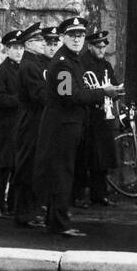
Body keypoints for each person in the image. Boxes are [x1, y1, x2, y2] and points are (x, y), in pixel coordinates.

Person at [34, 16, 124, 236]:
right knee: (62, 174)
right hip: (62, 126)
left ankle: (54, 219)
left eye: (81, 35)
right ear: (63, 37)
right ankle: (59, 224)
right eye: (72, 36)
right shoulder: (64, 62)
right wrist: (103, 92)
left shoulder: (73, 59)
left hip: (69, 125)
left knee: (62, 173)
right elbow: (69, 96)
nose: (77, 40)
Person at [10, 24, 58, 227]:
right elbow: (38, 94)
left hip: (36, 120)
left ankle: (30, 211)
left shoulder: (35, 62)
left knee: (34, 167)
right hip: (31, 121)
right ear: (29, 44)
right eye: (39, 40)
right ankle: (23, 214)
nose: (43, 43)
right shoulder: (30, 65)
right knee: (27, 167)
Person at [81, 29, 121, 206]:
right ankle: (79, 195)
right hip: (88, 117)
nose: (101, 51)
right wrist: (102, 92)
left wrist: (116, 92)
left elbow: (113, 83)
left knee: (102, 159)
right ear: (90, 46)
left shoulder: (106, 65)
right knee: (84, 158)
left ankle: (100, 194)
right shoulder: (82, 63)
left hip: (104, 116)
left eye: (103, 47)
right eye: (98, 47)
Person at [0, 29, 23, 218]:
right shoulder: (1, 72)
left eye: (20, 48)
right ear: (6, 50)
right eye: (14, 48)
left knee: (16, 167)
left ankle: (12, 204)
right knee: (5, 168)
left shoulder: (20, 70)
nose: (18, 52)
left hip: (18, 126)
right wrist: (20, 100)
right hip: (6, 127)